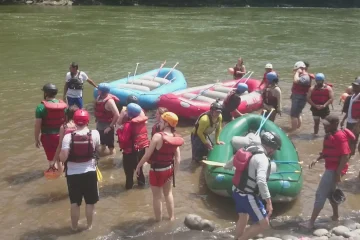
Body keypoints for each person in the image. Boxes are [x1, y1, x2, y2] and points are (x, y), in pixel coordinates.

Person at [302, 114, 353, 229]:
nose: (324, 127)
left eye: (327, 125)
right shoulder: (330, 135)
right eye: (324, 124)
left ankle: (311, 223)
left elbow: (345, 156)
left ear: (335, 124)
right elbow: (328, 152)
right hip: (332, 168)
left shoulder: (340, 136)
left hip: (334, 170)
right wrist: (317, 159)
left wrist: (338, 173)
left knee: (320, 193)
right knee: (331, 193)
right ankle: (335, 216)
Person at [232, 131, 282, 240]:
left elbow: (233, 161)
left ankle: (236, 238)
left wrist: (226, 167)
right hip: (248, 195)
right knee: (264, 223)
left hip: (236, 191)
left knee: (243, 217)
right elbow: (261, 181)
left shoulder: (249, 148)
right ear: (271, 148)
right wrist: (269, 202)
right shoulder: (262, 159)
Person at [135, 112, 184, 221]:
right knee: (168, 194)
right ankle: (171, 218)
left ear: (167, 123)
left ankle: (158, 221)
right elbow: (178, 160)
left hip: (156, 171)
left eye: (162, 121)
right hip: (169, 169)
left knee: (157, 197)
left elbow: (147, 155)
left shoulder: (157, 136)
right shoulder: (175, 137)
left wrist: (138, 166)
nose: (160, 123)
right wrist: (173, 174)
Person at [59, 109, 101, 231]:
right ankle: (89, 227)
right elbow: (97, 150)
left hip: (73, 174)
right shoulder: (95, 134)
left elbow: (63, 158)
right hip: (90, 172)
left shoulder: (68, 137)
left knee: (75, 203)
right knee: (90, 202)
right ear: (87, 121)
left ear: (74, 121)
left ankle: (74, 227)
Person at [35, 83, 67, 173]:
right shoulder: (63, 105)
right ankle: (61, 173)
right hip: (62, 135)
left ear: (45, 93)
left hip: (47, 136)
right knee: (60, 158)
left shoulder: (40, 107)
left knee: (51, 159)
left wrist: (36, 138)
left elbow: (37, 125)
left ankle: (54, 173)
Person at [116, 103, 149, 189]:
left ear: (129, 114)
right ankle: (142, 188)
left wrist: (119, 130)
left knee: (129, 174)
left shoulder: (128, 125)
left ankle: (128, 191)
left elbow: (123, 140)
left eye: (126, 111)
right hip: (141, 150)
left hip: (130, 154)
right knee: (139, 171)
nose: (125, 112)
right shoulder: (142, 123)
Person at [94, 83, 120, 155]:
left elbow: (117, 114)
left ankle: (112, 160)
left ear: (102, 91)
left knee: (110, 147)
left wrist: (110, 127)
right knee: (102, 144)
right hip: (100, 124)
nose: (97, 90)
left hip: (107, 126)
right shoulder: (99, 97)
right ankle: (103, 155)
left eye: (99, 90)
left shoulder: (109, 101)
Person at [54, 105, 79, 174]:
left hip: (68, 153)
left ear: (67, 115)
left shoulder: (64, 127)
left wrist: (55, 159)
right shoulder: (81, 125)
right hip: (80, 151)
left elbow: (60, 144)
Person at [290, 61, 312, 132]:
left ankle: (293, 131)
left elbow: (296, 81)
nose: (295, 71)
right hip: (298, 97)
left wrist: (297, 72)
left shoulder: (305, 77)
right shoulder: (303, 75)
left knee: (293, 115)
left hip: (299, 97)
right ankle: (298, 129)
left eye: (296, 69)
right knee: (298, 113)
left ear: (301, 68)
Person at [341, 77, 360, 156]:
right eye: (354, 85)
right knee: (348, 140)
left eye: (356, 86)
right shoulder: (352, 96)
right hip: (349, 121)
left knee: (353, 141)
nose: (354, 87)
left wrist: (357, 125)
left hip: (356, 123)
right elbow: (350, 109)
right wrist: (343, 119)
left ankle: (349, 157)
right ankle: (349, 156)